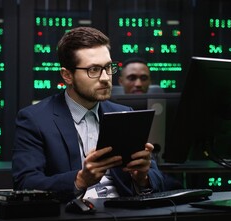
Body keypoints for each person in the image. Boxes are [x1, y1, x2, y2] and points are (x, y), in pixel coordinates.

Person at [12, 27, 179, 201]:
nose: (106, 78)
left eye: (108, 67)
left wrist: (142, 178)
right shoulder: (34, 119)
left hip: (123, 213)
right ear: (67, 75)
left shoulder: (124, 113)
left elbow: (158, 180)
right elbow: (25, 183)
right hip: (70, 217)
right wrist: (80, 180)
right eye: (93, 70)